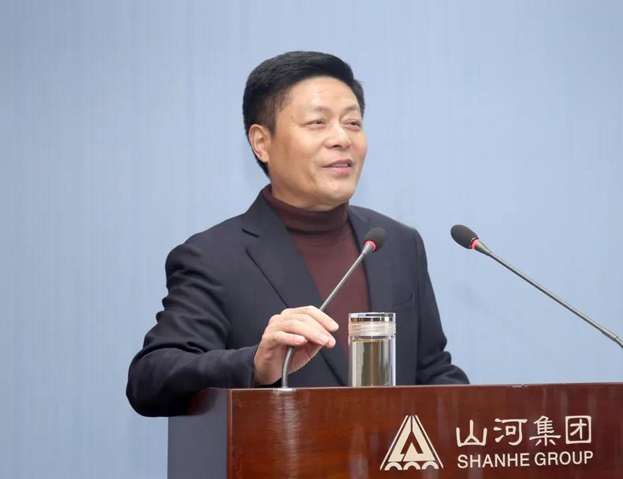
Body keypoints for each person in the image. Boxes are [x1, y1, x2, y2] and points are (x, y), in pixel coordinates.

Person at [126, 51, 468, 417]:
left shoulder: (396, 244)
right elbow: (151, 378)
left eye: (353, 123)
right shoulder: (214, 257)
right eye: (317, 122)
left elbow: (432, 370)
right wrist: (256, 365)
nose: (342, 138)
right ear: (261, 142)